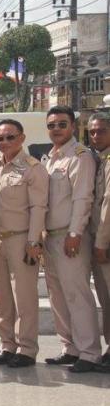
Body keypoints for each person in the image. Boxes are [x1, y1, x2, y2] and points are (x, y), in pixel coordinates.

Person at [43, 106, 101, 373]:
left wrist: (75, 233)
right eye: (52, 125)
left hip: (69, 236)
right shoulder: (51, 158)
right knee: (58, 297)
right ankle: (70, 347)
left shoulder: (81, 157)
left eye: (62, 124)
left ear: (73, 126)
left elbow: (82, 198)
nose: (56, 129)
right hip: (50, 237)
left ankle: (89, 352)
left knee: (77, 296)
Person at [0, 119, 49, 368]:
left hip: (23, 239)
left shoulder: (33, 168)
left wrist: (34, 240)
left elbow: (38, 207)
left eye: (10, 137)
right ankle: (7, 345)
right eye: (0, 139)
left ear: (21, 138)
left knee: (24, 298)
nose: (4, 143)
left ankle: (27, 349)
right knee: (1, 297)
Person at [88, 112, 110, 370]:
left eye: (101, 131)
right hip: (98, 238)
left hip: (105, 241)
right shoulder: (100, 160)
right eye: (92, 132)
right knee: (105, 299)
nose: (95, 136)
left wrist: (102, 243)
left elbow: (107, 205)